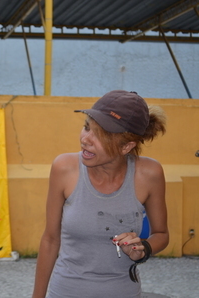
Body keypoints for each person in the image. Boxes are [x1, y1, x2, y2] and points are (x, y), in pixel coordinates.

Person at [32, 90, 169, 298]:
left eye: (100, 135)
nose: (86, 139)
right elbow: (50, 239)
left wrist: (143, 248)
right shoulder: (64, 168)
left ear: (126, 146)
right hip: (65, 292)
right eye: (87, 127)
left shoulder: (150, 174)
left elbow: (162, 235)